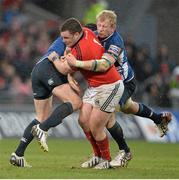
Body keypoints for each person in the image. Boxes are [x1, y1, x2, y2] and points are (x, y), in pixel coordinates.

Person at [67, 10, 172, 168]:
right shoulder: (95, 34)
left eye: (104, 26)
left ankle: (124, 152)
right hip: (105, 84)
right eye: (99, 25)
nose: (100, 29)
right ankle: (158, 119)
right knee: (128, 107)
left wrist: (77, 64)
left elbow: (105, 64)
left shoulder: (116, 41)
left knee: (108, 116)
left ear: (113, 27)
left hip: (122, 81)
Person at [32, 17, 124, 169]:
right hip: (94, 87)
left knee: (95, 125)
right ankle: (97, 156)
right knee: (83, 121)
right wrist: (70, 69)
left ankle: (106, 160)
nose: (63, 41)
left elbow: (64, 68)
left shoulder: (81, 51)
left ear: (76, 35)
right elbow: (71, 64)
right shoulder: (86, 31)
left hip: (109, 86)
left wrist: (55, 58)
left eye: (66, 38)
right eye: (62, 37)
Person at [9, 36, 82, 167]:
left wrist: (70, 77)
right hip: (48, 71)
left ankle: (18, 154)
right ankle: (42, 129)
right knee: (76, 102)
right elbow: (62, 62)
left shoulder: (65, 39)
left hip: (38, 71)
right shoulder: (77, 41)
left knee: (41, 117)